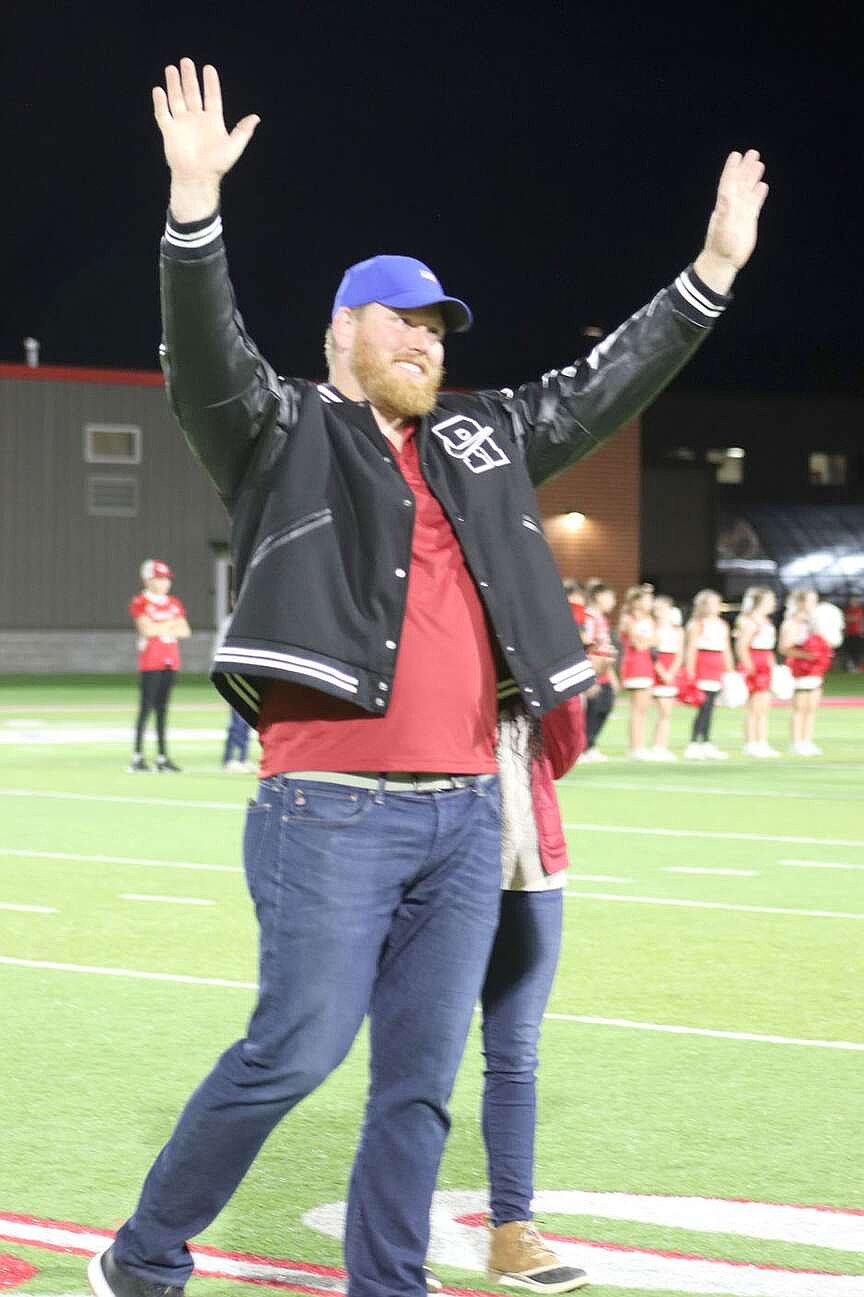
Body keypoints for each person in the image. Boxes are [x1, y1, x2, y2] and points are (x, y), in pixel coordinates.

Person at [88, 59, 767, 1297]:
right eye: (401, 319)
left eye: (438, 324)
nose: (425, 338)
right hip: (331, 808)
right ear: (341, 332)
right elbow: (202, 350)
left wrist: (709, 275)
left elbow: (605, 384)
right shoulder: (278, 428)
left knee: (418, 1081)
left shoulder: (485, 434)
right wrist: (195, 209)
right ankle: (142, 1257)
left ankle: (388, 1284)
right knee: (293, 1052)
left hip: (466, 814)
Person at [128, 559, 190, 772]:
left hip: (170, 660)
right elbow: (147, 630)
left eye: (166, 578)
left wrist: (161, 626)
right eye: (159, 578)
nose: (164, 583)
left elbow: (185, 631)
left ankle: (162, 757)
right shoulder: (141, 601)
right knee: (146, 708)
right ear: (148, 579)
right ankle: (137, 756)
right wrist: (170, 625)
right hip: (151, 661)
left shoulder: (174, 602)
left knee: (163, 709)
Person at [683, 589, 733, 760]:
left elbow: (726, 649)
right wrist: (690, 671)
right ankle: (693, 742)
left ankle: (706, 741)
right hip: (702, 665)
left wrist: (730, 671)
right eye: (710, 603)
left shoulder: (722, 624)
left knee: (711, 706)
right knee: (703, 707)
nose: (714, 607)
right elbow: (691, 649)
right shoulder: (697, 624)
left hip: (716, 666)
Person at [779, 587, 827, 755]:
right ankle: (796, 742)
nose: (813, 604)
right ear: (800, 603)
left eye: (815, 601)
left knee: (812, 707)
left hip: (814, 669)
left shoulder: (813, 622)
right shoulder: (792, 622)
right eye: (810, 601)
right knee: (799, 708)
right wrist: (806, 655)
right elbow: (784, 648)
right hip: (800, 668)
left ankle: (807, 740)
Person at [734, 586, 780, 757]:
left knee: (764, 707)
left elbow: (768, 647)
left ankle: (762, 742)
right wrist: (750, 668)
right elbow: (741, 647)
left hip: (765, 662)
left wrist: (773, 666)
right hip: (754, 663)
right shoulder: (749, 621)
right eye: (770, 600)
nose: (773, 603)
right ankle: (750, 743)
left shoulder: (766, 621)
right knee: (753, 708)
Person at [579, 583, 618, 763]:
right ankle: (583, 747)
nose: (613, 602)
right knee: (591, 709)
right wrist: (589, 676)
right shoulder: (589, 617)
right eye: (610, 597)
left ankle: (591, 743)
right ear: (599, 596)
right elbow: (585, 646)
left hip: (604, 670)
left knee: (605, 705)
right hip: (593, 669)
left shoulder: (602, 619)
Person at [618, 586, 656, 759]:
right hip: (634, 664)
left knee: (644, 709)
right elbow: (638, 644)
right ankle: (634, 746)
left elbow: (653, 640)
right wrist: (649, 640)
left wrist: (647, 640)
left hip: (647, 664)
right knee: (636, 709)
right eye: (647, 599)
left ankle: (640, 745)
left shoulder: (649, 619)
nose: (650, 602)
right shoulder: (628, 619)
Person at [648, 595, 683, 760]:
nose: (659, 612)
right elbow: (652, 654)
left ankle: (661, 746)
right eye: (657, 609)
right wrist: (662, 672)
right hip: (659, 670)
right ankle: (656, 746)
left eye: (663, 609)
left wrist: (672, 672)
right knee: (662, 711)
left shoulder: (677, 631)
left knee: (667, 713)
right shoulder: (653, 629)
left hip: (671, 670)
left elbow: (679, 654)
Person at [843, 595, 863, 672]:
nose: (853, 603)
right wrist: (849, 618)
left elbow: (855, 618)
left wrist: (849, 618)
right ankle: (850, 666)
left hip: (857, 634)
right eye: (851, 601)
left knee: (857, 651)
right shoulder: (847, 610)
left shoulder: (859, 609)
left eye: (854, 601)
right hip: (849, 634)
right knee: (849, 651)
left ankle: (857, 667)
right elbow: (845, 618)